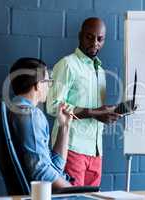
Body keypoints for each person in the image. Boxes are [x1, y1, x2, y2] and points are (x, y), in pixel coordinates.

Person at [46, 17, 121, 186]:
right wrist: (94, 113)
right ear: (80, 36)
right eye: (89, 37)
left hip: (96, 152)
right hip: (71, 148)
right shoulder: (67, 64)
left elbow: (97, 111)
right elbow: (52, 106)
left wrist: (107, 114)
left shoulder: (100, 71)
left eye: (100, 39)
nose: (95, 43)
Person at [8, 57, 73, 189]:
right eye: (48, 81)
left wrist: (64, 126)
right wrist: (73, 191)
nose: (49, 86)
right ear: (38, 84)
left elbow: (54, 167)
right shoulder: (31, 115)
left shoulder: (15, 108)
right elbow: (41, 171)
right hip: (44, 192)